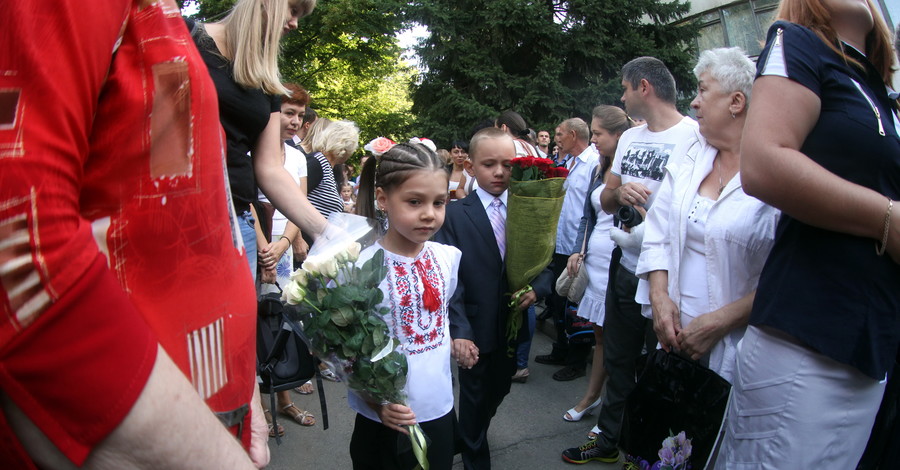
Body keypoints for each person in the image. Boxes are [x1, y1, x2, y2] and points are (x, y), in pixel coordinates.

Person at [0, 0, 271, 467]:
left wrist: (250, 397)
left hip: (203, 404)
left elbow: (197, 201)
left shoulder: (161, 18)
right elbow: (18, 240)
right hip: (138, 425)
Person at [713, 1, 900, 467]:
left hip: (867, 341)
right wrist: (889, 220)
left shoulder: (878, 92)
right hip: (810, 338)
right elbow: (764, 163)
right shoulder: (795, 41)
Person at [562, 56, 702, 464]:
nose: (621, 96)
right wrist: (620, 194)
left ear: (644, 87)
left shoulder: (695, 137)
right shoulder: (629, 139)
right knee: (619, 361)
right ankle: (607, 441)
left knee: (661, 370)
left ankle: (647, 452)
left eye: (624, 88)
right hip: (625, 268)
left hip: (670, 277)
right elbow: (605, 199)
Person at [638, 47, 779, 385]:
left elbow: (788, 272)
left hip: (736, 348)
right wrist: (659, 298)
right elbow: (658, 231)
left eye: (703, 90)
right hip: (673, 339)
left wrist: (720, 322)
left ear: (736, 102)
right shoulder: (691, 156)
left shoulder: (777, 172)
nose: (694, 102)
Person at [434, 127, 554, 469]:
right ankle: (474, 454)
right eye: (489, 164)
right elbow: (450, 280)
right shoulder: (455, 214)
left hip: (513, 327)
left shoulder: (528, 209)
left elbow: (545, 261)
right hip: (474, 326)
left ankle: (468, 433)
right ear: (471, 167)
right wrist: (460, 331)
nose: (500, 172)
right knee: (473, 399)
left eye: (507, 164)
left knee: (499, 388)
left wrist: (538, 288)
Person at [188, 0, 328, 285]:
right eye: (292, 10)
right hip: (175, 220)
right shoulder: (185, 38)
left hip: (237, 226)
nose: (294, 24)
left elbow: (270, 169)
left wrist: (327, 232)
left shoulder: (267, 84)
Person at [351, 143, 461, 470]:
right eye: (415, 202)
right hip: (382, 416)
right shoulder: (360, 264)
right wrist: (376, 402)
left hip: (437, 407)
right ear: (383, 199)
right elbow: (345, 346)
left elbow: (441, 321)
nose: (429, 213)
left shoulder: (447, 258)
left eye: (439, 202)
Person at [561, 106, 634, 428]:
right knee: (601, 337)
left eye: (599, 134)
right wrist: (578, 250)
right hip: (596, 261)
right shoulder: (598, 169)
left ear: (619, 135)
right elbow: (586, 218)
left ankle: (616, 410)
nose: (593, 141)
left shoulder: (633, 170)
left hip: (623, 263)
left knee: (620, 342)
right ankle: (592, 396)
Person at [535, 118, 599, 382]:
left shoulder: (593, 163)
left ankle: (577, 360)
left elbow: (591, 211)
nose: (556, 138)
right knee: (557, 299)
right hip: (559, 243)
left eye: (560, 134)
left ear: (573, 135)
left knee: (574, 305)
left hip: (577, 246)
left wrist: (581, 248)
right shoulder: (568, 162)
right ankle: (560, 349)